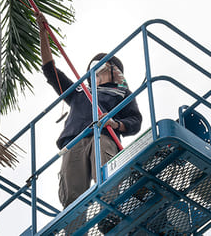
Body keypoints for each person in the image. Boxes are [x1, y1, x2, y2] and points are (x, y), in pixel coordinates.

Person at [37, 14, 143, 207]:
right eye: (94, 69)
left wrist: (115, 124)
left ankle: (110, 213)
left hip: (103, 136)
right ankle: (74, 227)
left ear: (114, 72)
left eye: (102, 68)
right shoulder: (80, 91)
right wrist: (43, 34)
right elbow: (51, 72)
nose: (96, 73)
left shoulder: (121, 93)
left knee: (105, 175)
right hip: (74, 140)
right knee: (72, 193)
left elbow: (135, 121)